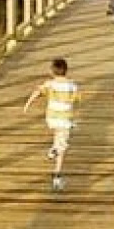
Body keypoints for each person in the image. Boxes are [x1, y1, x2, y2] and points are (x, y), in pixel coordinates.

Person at [24, 56, 80, 191]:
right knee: (63, 144)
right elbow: (76, 100)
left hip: (52, 118)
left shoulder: (49, 84)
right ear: (66, 70)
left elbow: (37, 92)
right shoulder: (72, 85)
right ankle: (55, 152)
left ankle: (57, 174)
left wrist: (27, 104)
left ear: (52, 71)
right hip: (65, 118)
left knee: (58, 138)